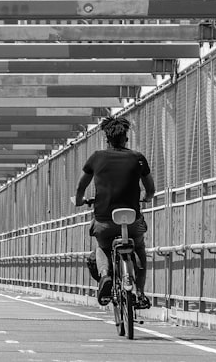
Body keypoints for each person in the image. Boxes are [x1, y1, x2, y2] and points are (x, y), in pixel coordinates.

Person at [75, 116, 155, 308]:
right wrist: (147, 197)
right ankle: (140, 293)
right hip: (132, 218)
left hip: (104, 220)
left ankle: (105, 277)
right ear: (125, 139)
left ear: (107, 140)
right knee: (139, 247)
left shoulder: (96, 157)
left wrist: (80, 201)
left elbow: (80, 188)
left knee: (102, 247)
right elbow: (150, 189)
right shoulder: (138, 158)